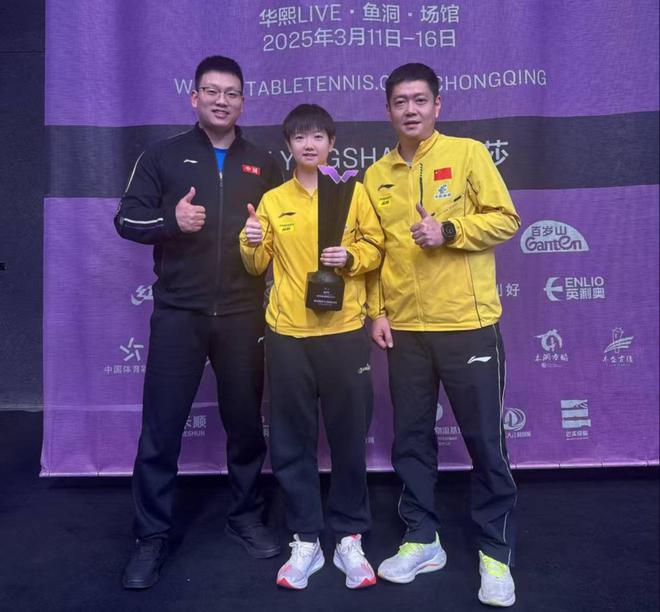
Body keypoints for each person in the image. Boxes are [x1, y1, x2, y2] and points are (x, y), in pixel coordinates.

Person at [114, 55, 283, 589]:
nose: (221, 100)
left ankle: (246, 515)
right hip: (179, 314)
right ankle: (151, 536)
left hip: (242, 313)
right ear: (194, 97)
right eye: (211, 91)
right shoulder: (162, 154)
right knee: (161, 429)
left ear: (243, 101)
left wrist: (267, 237)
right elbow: (126, 218)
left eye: (231, 93)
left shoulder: (264, 161)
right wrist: (172, 220)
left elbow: (288, 230)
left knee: (245, 425)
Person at [363, 63, 521, 607]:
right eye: (400, 102)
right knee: (410, 440)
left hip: (467, 324)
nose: (410, 110)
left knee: (485, 442)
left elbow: (505, 219)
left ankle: (495, 552)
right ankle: (422, 538)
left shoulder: (469, 154)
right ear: (388, 110)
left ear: (437, 105)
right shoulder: (376, 175)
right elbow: (375, 251)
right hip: (405, 329)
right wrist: (377, 311)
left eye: (420, 100)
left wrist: (449, 229)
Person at [240, 104, 384, 590]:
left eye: (318, 136)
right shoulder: (272, 199)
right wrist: (251, 239)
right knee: (291, 441)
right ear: (288, 145)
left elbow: (377, 248)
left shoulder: (352, 192)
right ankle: (305, 538)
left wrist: (352, 256)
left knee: (348, 438)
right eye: (300, 137)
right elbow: (256, 264)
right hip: (288, 335)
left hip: (343, 332)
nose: (309, 144)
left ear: (331, 143)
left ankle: (349, 537)